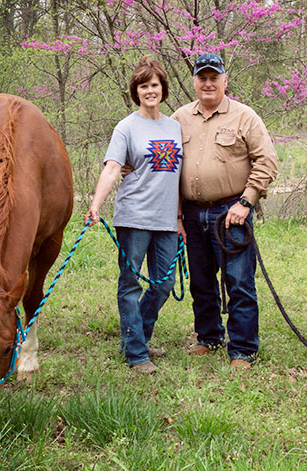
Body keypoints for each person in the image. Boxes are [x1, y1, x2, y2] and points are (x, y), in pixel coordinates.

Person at [172, 53, 278, 370]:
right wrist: (177, 215)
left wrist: (245, 202)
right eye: (202, 78)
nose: (207, 83)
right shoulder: (179, 118)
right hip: (192, 213)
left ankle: (243, 349)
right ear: (194, 81)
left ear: (224, 81)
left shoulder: (245, 117)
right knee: (201, 282)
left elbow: (267, 161)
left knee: (239, 281)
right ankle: (209, 337)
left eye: (213, 77)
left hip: (231, 212)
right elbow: (168, 170)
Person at [86, 56, 184, 374]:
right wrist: (96, 204)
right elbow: (113, 167)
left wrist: (180, 217)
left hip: (167, 219)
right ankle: (137, 353)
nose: (149, 91)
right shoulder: (126, 127)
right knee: (130, 284)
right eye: (143, 86)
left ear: (163, 89)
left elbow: (179, 176)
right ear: (136, 91)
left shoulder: (174, 127)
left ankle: (135, 337)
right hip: (133, 217)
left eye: (154, 85)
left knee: (164, 284)